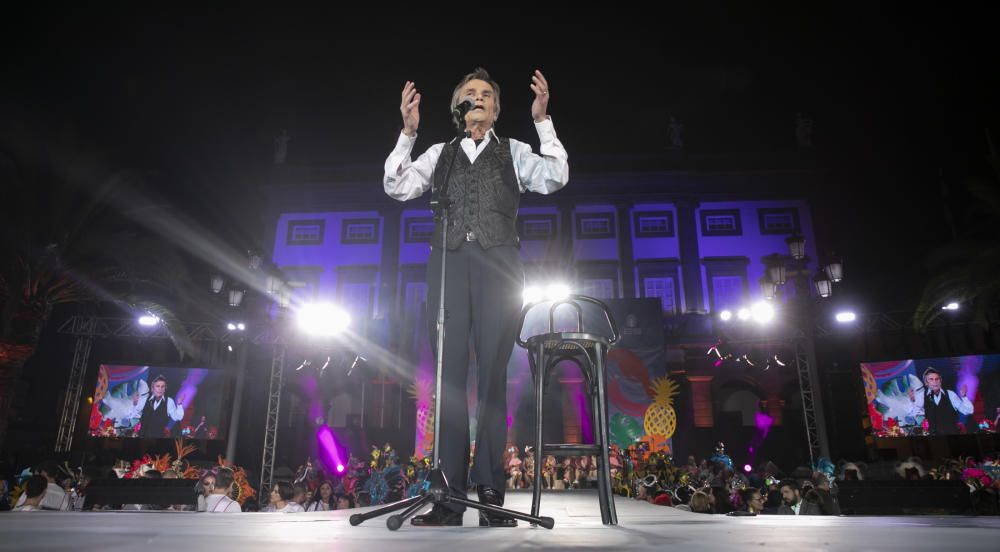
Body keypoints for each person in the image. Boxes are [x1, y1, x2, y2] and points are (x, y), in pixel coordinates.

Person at [383, 67, 567, 528]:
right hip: (447, 264)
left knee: (490, 378)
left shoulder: (515, 151)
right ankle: (447, 492)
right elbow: (397, 185)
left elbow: (557, 176)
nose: (479, 99)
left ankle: (489, 488)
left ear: (498, 108)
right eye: (470, 94)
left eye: (486, 94)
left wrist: (543, 121)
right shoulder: (440, 153)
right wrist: (407, 134)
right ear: (458, 108)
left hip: (500, 266)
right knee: (447, 376)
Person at [907, 367, 973, 435]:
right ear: (926, 383)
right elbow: (912, 414)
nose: (935, 382)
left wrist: (964, 397)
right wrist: (912, 400)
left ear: (940, 380)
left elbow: (968, 411)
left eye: (937, 379)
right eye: (931, 379)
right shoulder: (922, 396)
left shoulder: (950, 394)